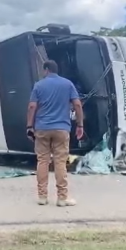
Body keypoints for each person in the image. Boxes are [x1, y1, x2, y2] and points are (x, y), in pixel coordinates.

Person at [26, 60, 84, 207]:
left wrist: (29, 126)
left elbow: (32, 106)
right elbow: (77, 104)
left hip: (42, 128)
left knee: (42, 161)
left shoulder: (39, 85)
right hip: (62, 129)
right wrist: (80, 125)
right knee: (60, 162)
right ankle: (62, 198)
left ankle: (42, 197)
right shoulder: (67, 84)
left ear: (46, 70)